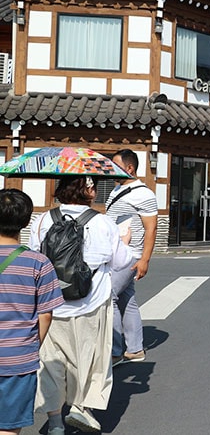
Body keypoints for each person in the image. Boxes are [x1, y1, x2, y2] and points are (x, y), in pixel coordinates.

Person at [32, 177, 133, 434]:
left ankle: (55, 423)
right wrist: (127, 242)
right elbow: (122, 262)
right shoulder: (101, 221)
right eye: (92, 187)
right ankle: (81, 408)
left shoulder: (43, 220)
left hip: (51, 304)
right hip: (91, 301)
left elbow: (34, 256)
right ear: (87, 190)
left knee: (51, 362)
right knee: (90, 356)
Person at [0, 189, 64, 435]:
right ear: (26, 221)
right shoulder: (39, 263)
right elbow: (45, 315)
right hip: (18, 359)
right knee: (8, 426)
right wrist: (31, 347)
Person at [106, 149, 158, 367]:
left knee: (109, 297)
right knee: (127, 300)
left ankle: (117, 350)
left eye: (116, 165)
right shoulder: (117, 188)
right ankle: (135, 349)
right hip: (116, 252)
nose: (112, 169)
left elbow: (151, 228)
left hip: (130, 255)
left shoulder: (143, 194)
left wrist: (145, 259)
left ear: (130, 168)